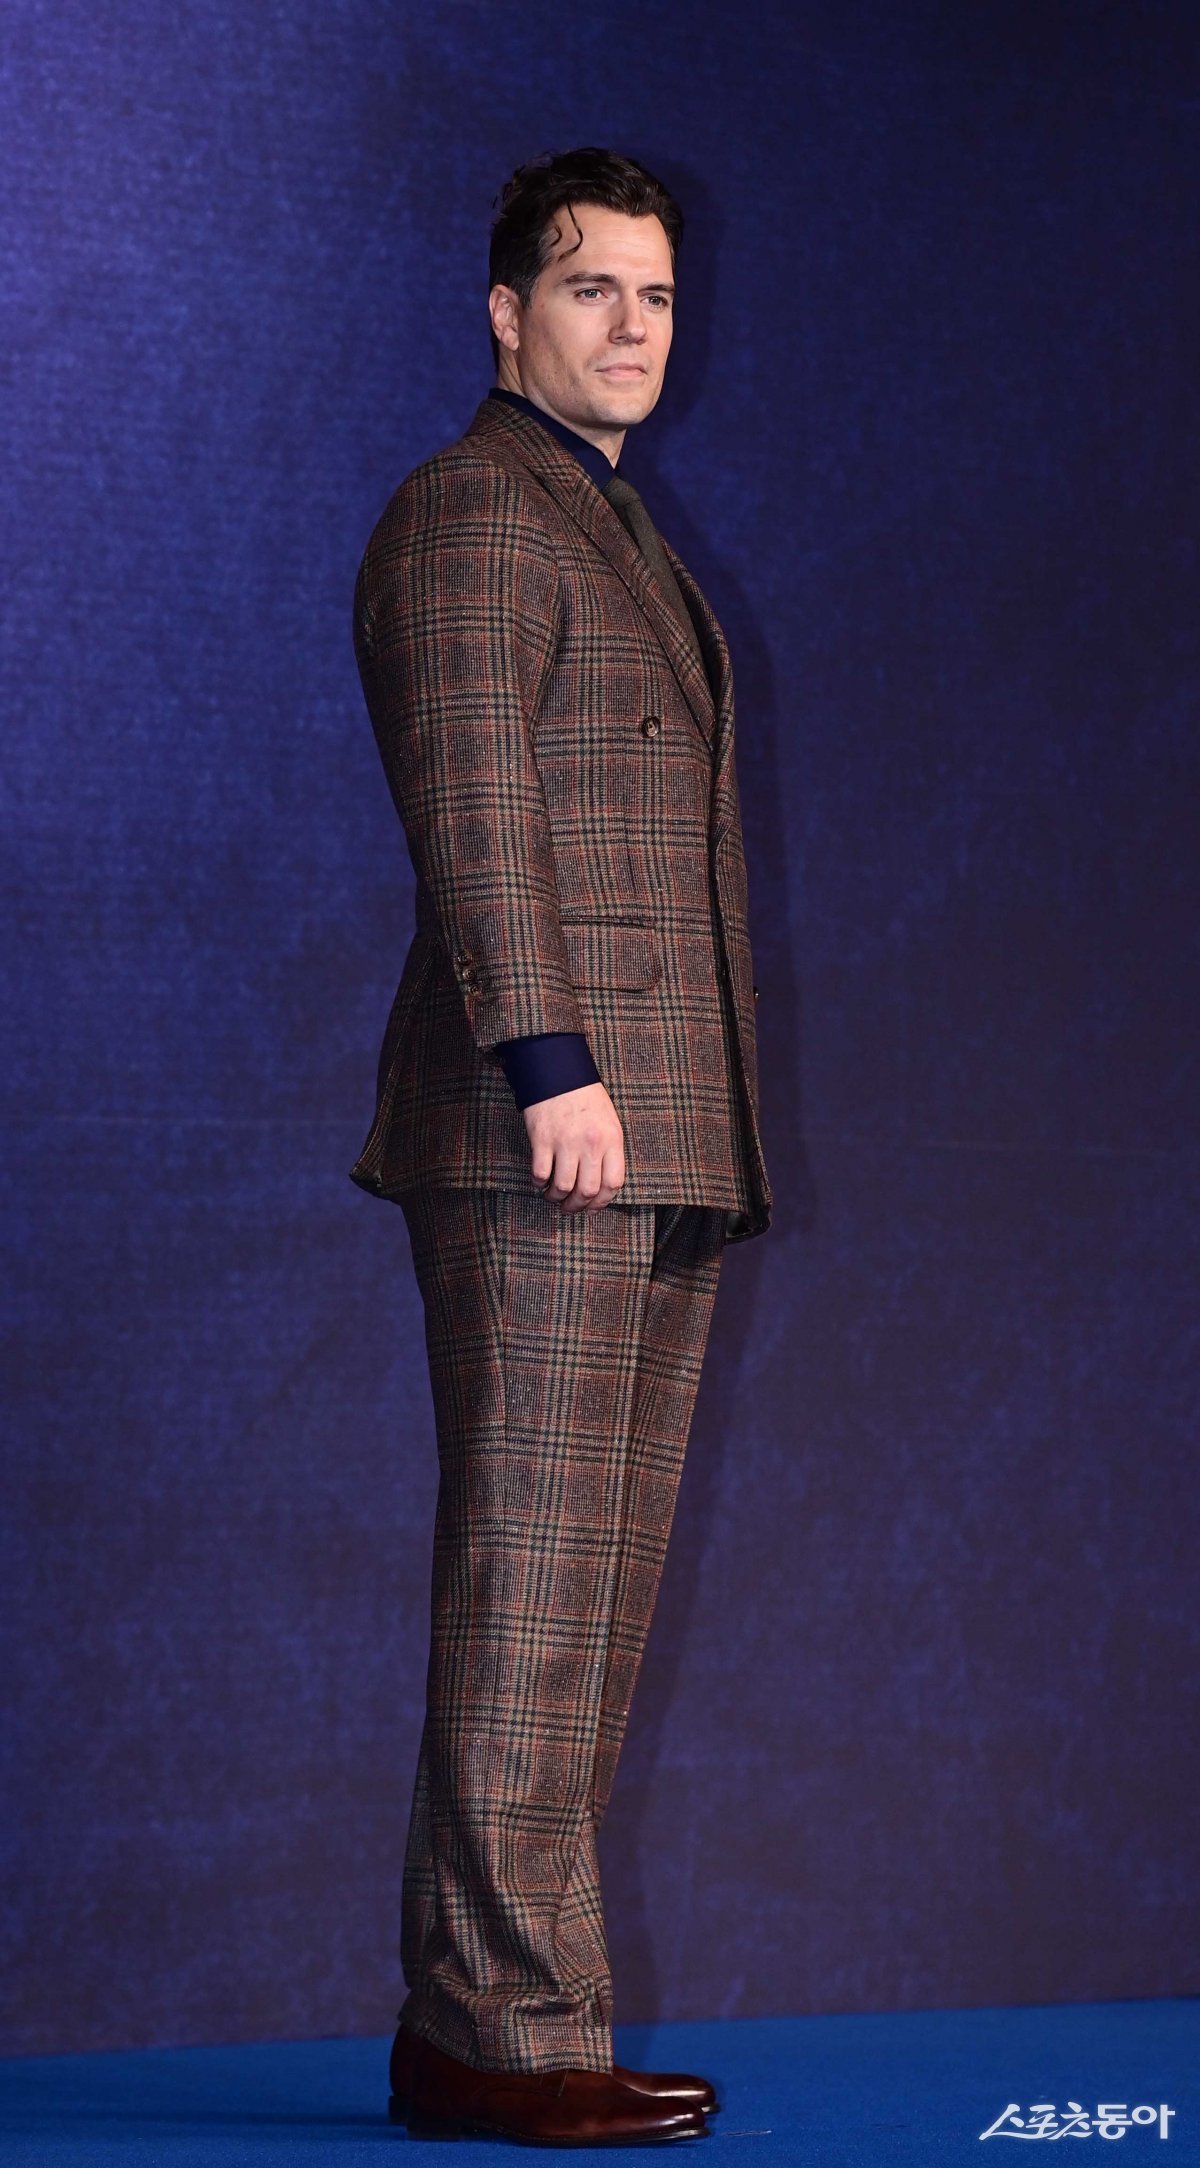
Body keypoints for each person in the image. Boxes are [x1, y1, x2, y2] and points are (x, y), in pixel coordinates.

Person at [349, 145, 772, 2146]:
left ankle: (489, 2022)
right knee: (533, 1589)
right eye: (594, 287)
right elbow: (473, 799)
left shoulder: (609, 522)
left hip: (656, 1126)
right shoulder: (468, 508)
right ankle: (504, 2036)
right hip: (556, 1119)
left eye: (659, 295)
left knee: (584, 1605)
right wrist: (547, 1057)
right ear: (507, 311)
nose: (634, 326)